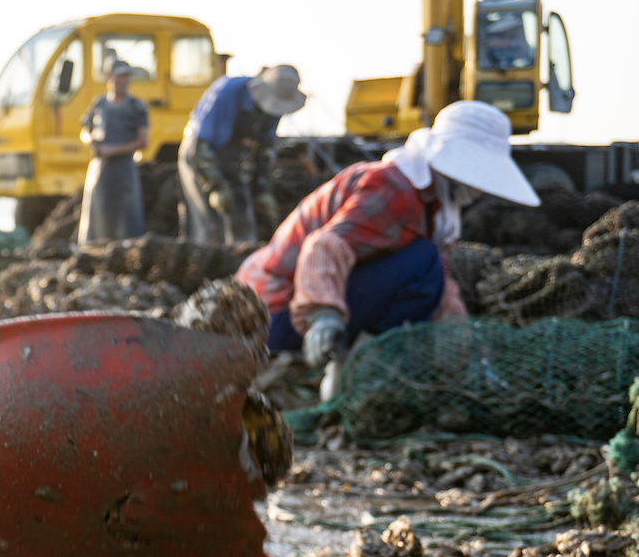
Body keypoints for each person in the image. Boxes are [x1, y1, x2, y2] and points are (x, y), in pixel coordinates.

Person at [236, 100, 540, 391]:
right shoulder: (394, 187)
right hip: (272, 314)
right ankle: (361, 367)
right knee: (423, 260)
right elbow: (324, 246)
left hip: (275, 311)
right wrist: (322, 316)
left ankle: (358, 362)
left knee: (426, 264)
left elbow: (441, 290)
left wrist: (464, 351)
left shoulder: (428, 206)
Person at [178, 65, 306, 245]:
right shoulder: (227, 92)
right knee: (209, 224)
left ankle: (242, 264)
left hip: (235, 161)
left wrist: (262, 189)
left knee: (243, 221)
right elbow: (201, 146)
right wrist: (215, 186)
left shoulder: (274, 110)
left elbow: (264, 150)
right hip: (200, 156)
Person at [77, 58, 149, 245]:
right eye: (120, 77)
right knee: (98, 222)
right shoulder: (99, 104)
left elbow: (143, 141)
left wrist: (113, 150)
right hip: (100, 171)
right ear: (108, 76)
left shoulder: (136, 106)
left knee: (128, 222)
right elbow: (84, 130)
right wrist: (91, 141)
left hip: (124, 171)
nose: (124, 81)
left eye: (126, 77)